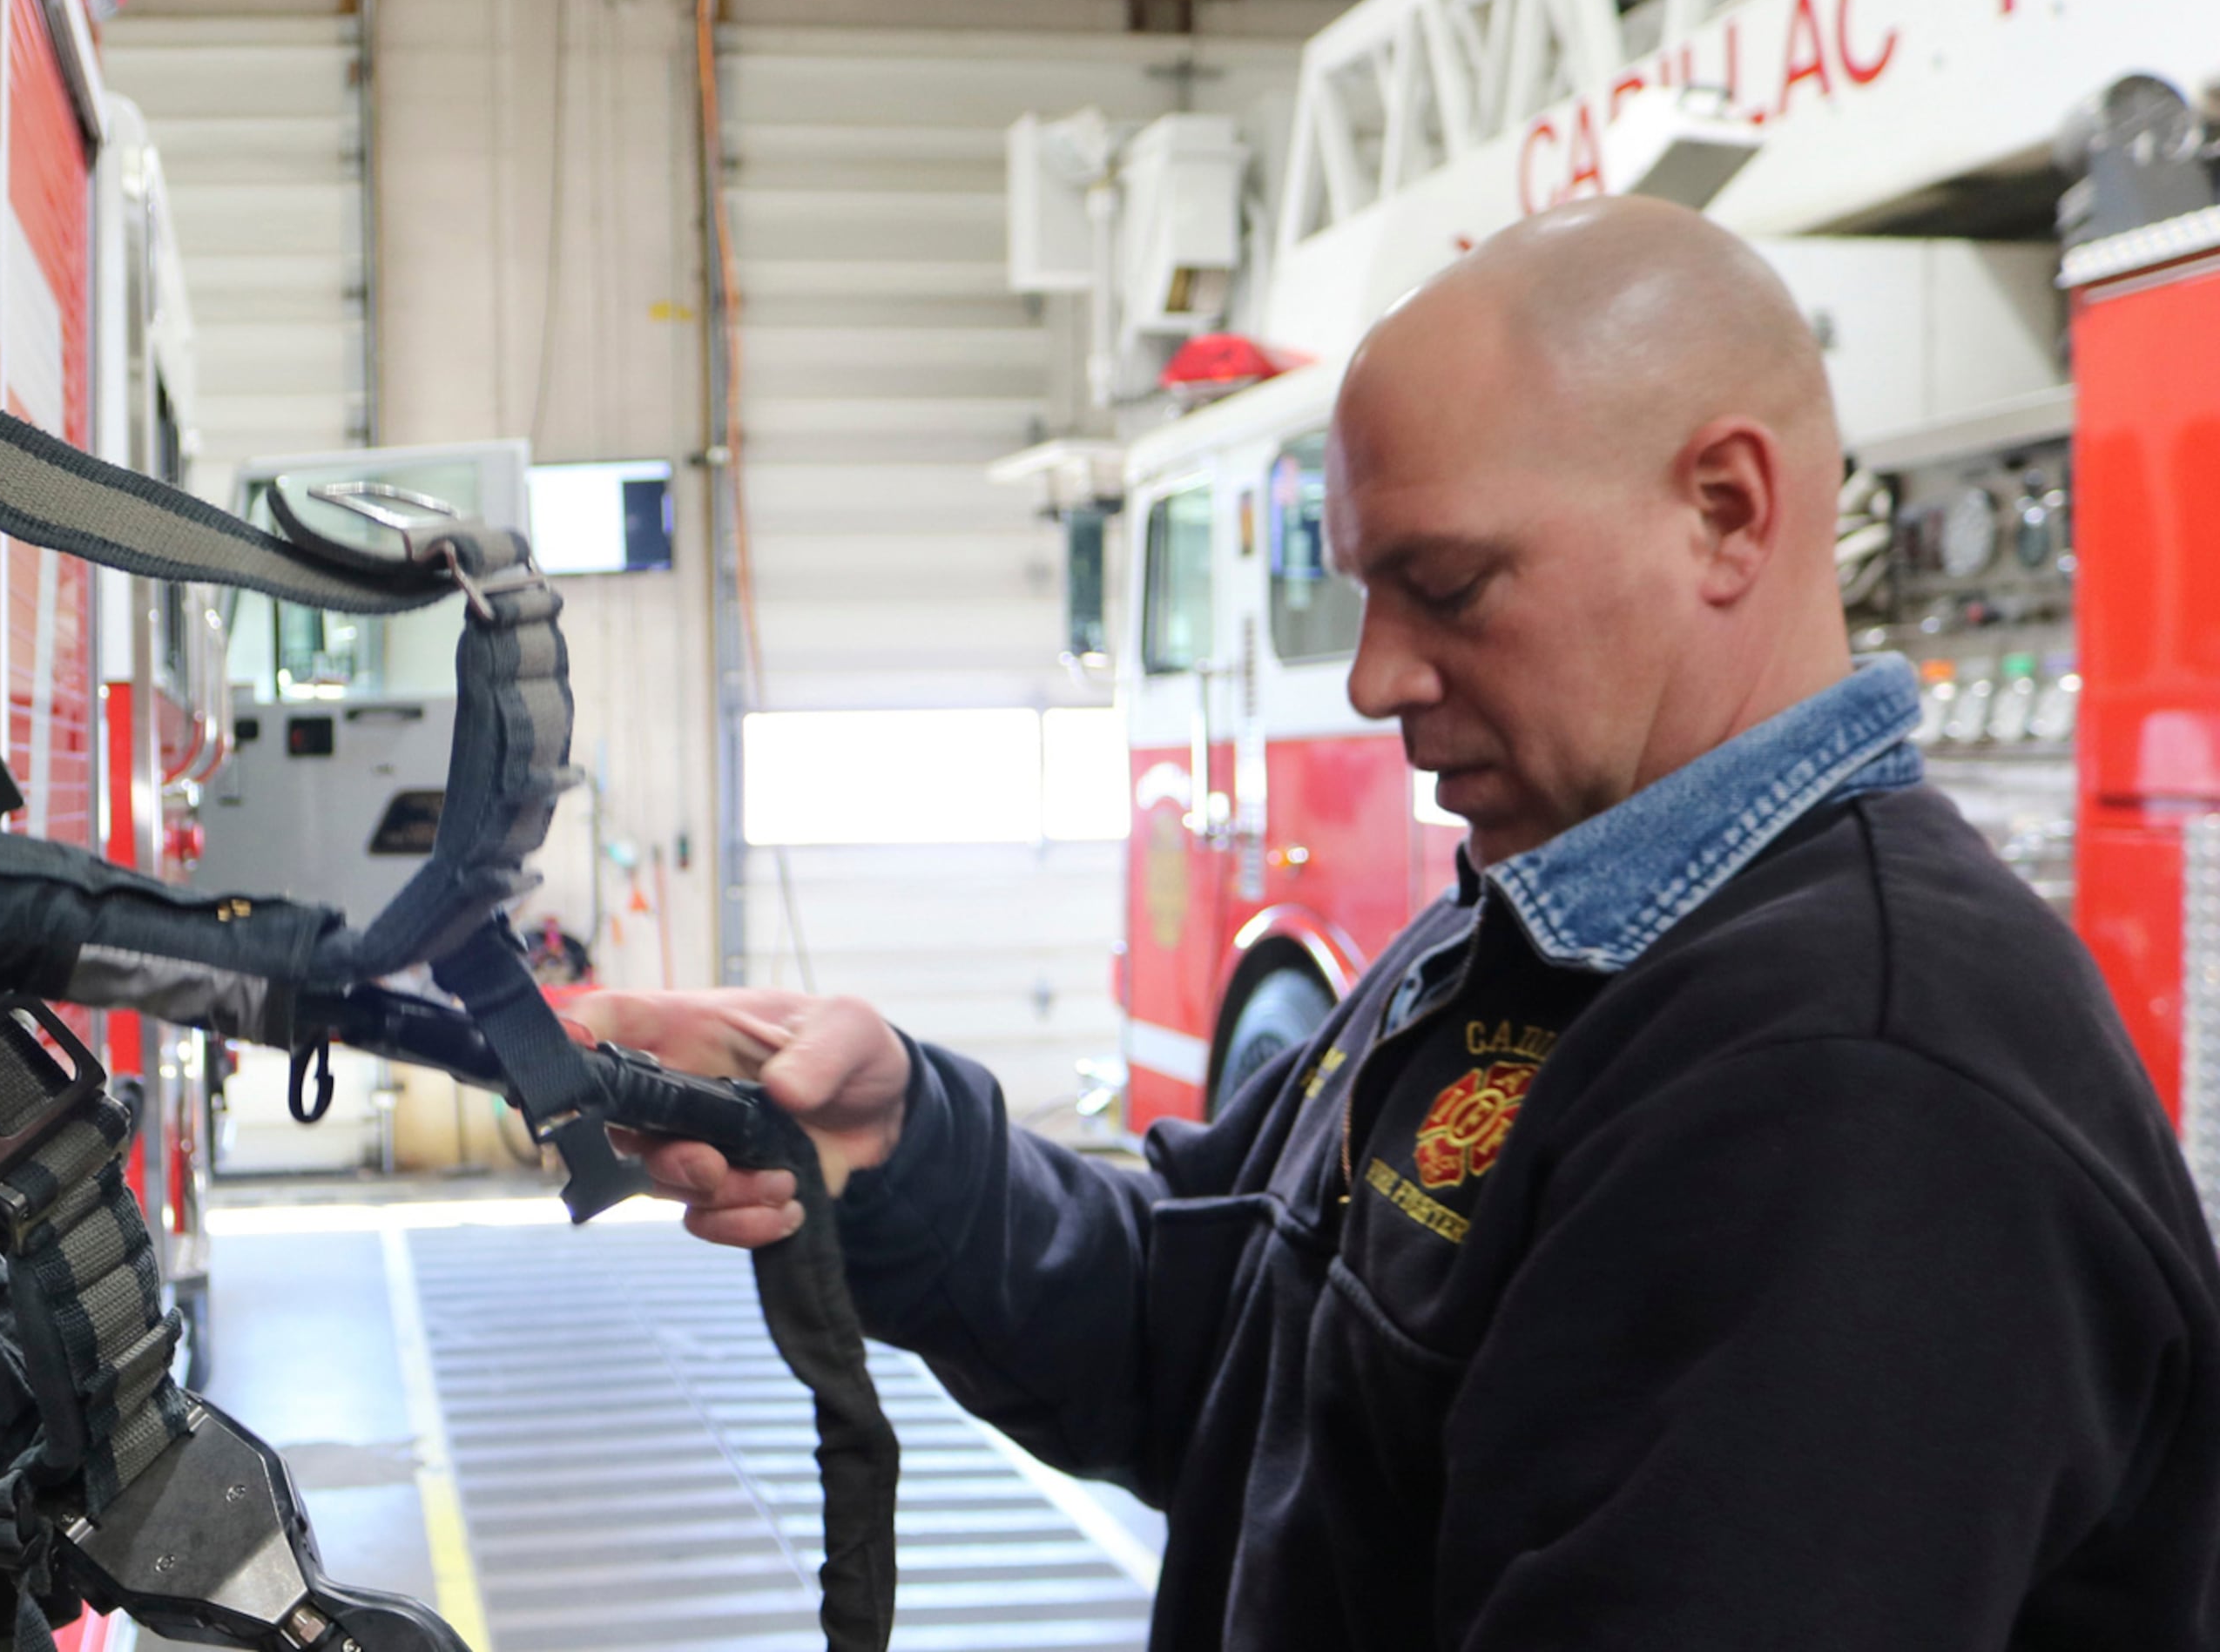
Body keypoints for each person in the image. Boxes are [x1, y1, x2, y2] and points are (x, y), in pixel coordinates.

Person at [575, 198, 2220, 1649]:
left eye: (1448, 586)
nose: (1375, 679)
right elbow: (1225, 1355)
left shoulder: (1850, 1086)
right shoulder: (1542, 935)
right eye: (1363, 588)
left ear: (1725, 509)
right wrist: (895, 1151)